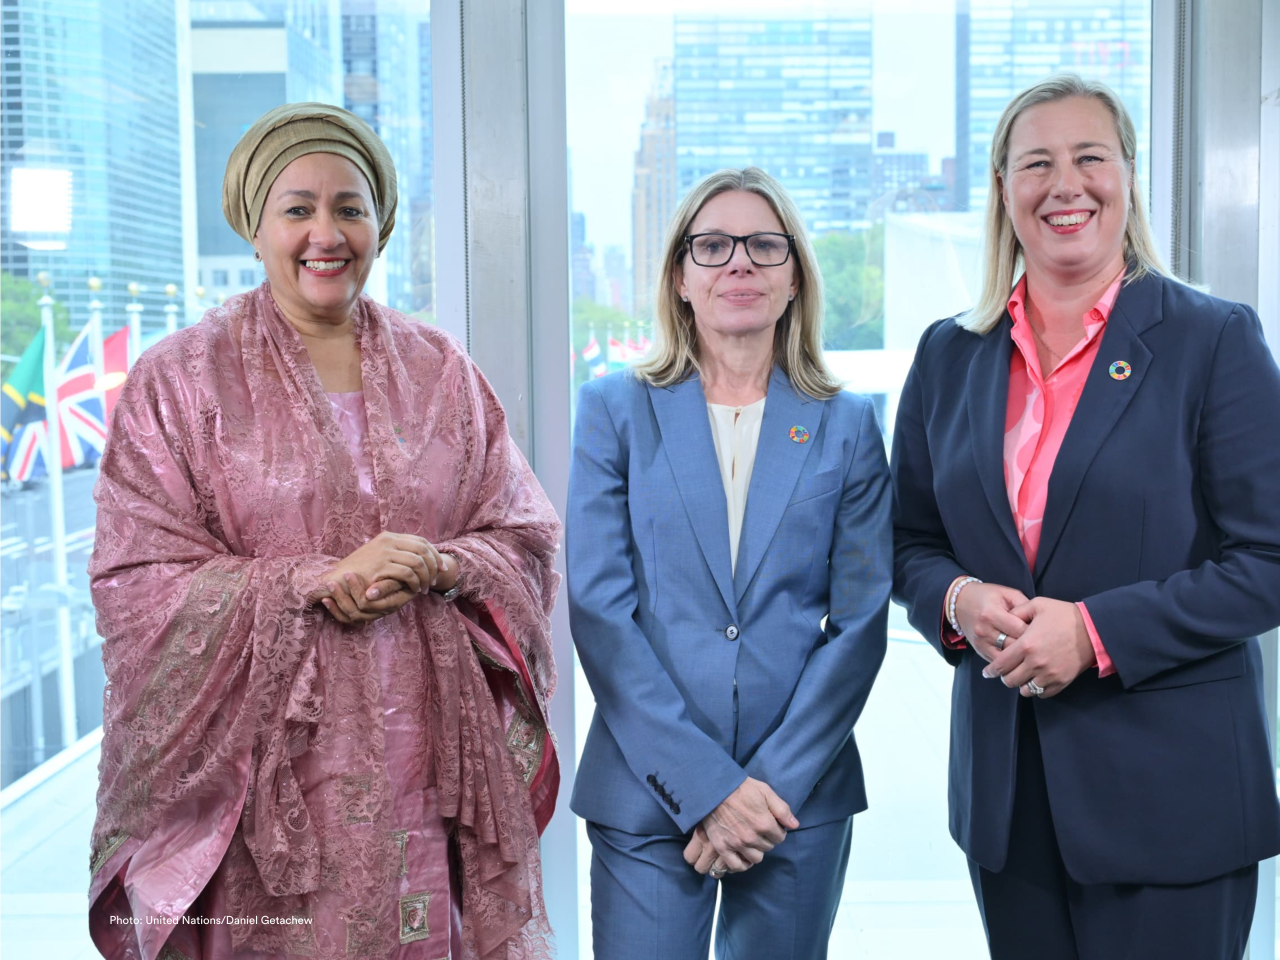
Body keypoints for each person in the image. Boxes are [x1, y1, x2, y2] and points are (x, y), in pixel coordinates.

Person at [87, 103, 561, 960]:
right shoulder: (182, 380)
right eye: (297, 208)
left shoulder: (440, 368)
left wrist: (442, 566)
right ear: (254, 225)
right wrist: (308, 579)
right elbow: (137, 578)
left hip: (425, 767)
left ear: (379, 223)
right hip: (266, 780)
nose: (326, 232)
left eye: (350, 206)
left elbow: (523, 532)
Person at [891, 74, 1280, 959]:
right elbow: (908, 541)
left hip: (1173, 803)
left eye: (1089, 157)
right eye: (1037, 163)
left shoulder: (1213, 340)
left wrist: (1095, 632)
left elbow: (1271, 559)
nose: (1065, 184)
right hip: (1009, 801)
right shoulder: (950, 354)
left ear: (1129, 177)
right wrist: (956, 601)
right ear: (1003, 190)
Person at [567, 166, 892, 959]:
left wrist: (764, 793)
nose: (737, 263)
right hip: (647, 791)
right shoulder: (614, 410)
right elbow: (600, 612)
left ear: (793, 278)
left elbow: (860, 624)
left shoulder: (846, 426)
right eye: (711, 246)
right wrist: (708, 789)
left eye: (762, 246)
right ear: (680, 277)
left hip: (796, 797)